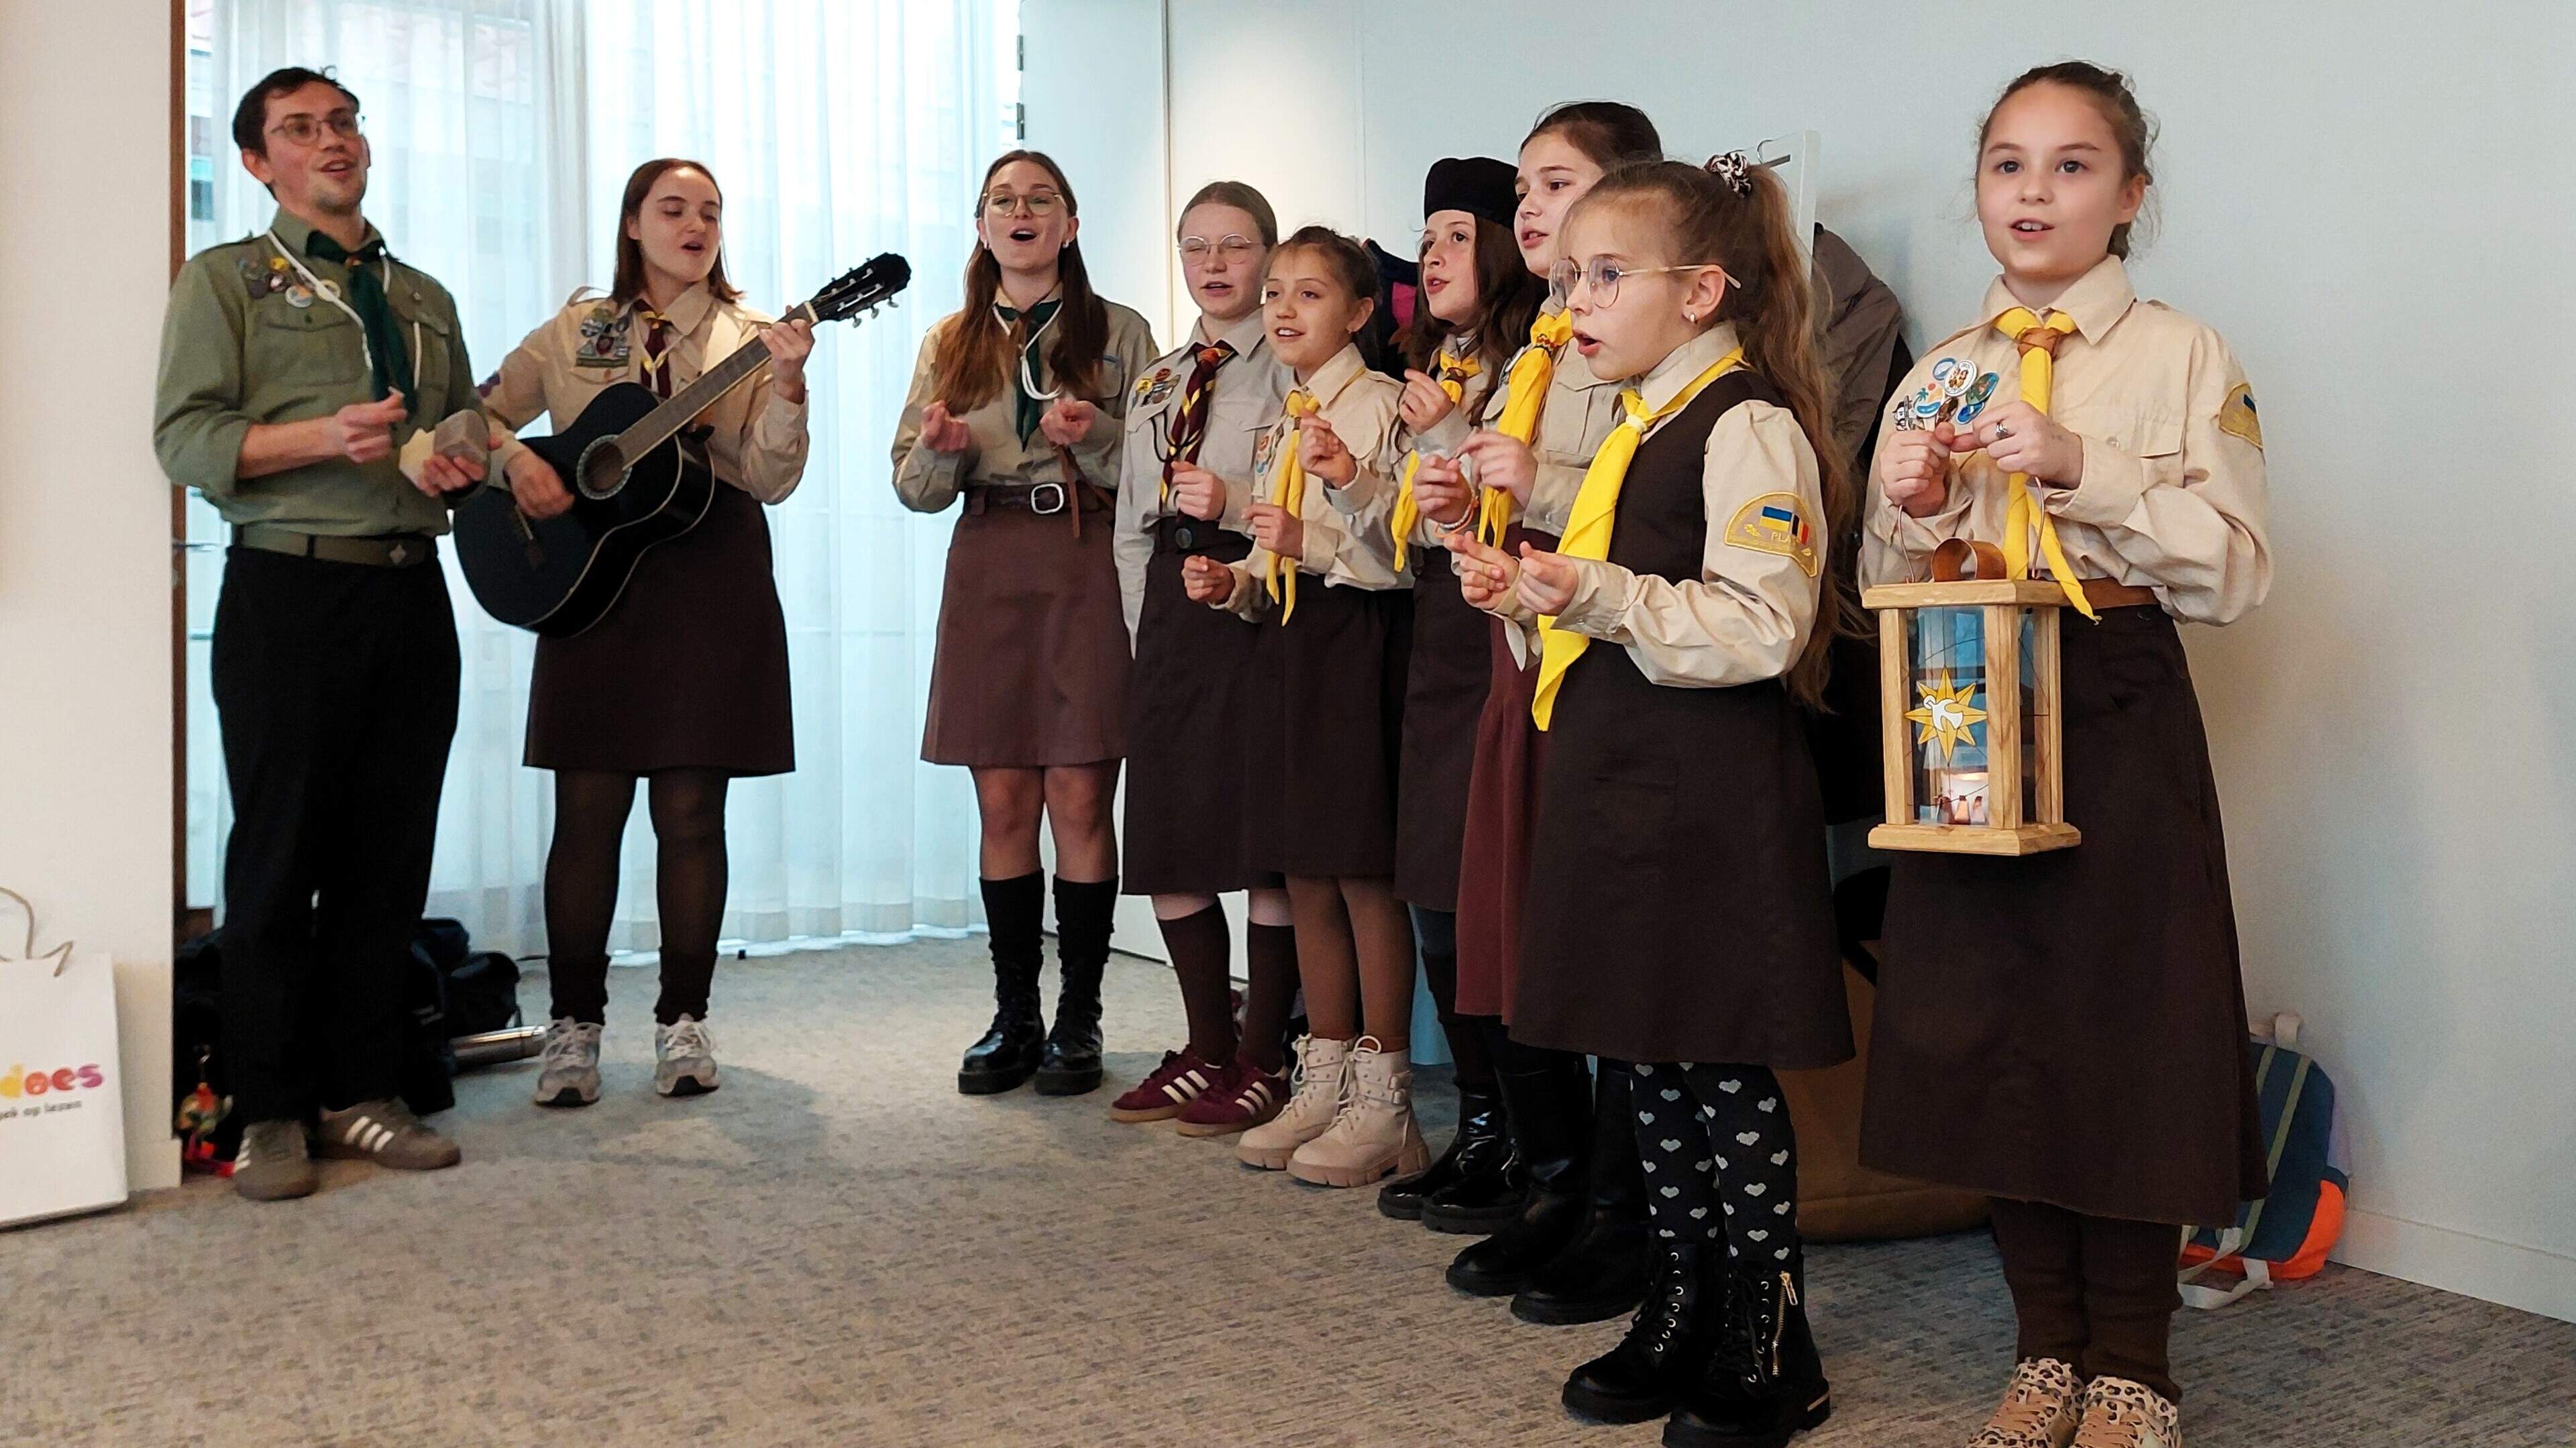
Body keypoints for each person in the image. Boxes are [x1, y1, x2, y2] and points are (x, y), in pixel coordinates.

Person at [1859, 62, 2272, 1448]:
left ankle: (2135, 1367)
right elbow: (1876, 582)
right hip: (1966, 699)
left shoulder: (2183, 355)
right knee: (1985, 1023)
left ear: (2133, 193)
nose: (2035, 193)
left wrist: (2083, 464)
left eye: (2074, 165)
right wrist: (1913, 510)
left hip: (2112, 687)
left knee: (2121, 1026)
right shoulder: (1939, 373)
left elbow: (2237, 573)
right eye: (2008, 164)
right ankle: (2044, 1347)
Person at [1455, 152, 1855, 1448]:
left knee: (1719, 1068)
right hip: (1619, 786)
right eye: (1568, 277)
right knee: (1642, 1058)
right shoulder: (1628, 426)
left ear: (1701, 291)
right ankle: (1679, 1302)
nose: (1574, 303)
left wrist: (1597, 595)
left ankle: (1767, 1331)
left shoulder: (1747, 424)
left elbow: (1764, 622)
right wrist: (1527, 593)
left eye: (1606, 274)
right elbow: (1601, 608)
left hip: (1708, 799)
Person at [154, 66, 487, 1200]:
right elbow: (188, 440)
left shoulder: (425, 295)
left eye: (342, 123)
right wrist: (313, 440)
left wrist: (468, 457)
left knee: (386, 857)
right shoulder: (227, 282)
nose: (331, 141)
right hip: (288, 593)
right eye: (300, 130)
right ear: (258, 163)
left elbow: (458, 429)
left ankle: (362, 1093)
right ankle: (271, 1109)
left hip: (410, 590)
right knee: (279, 852)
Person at [477, 157, 815, 1106]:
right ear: (633, 224)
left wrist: (787, 391)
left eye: (710, 211)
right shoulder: (580, 328)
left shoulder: (753, 338)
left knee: (690, 811)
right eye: (673, 208)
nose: (694, 224)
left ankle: (683, 1023)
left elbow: (772, 476)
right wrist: (514, 463)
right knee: (586, 811)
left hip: (711, 575)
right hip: (594, 583)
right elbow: (479, 410)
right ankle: (573, 1028)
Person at [1425, 101, 1661, 1326]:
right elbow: (1502, 510)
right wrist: (1448, 491)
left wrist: (1537, 480)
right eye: (1521, 186)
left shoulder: (1643, 351)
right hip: (1523, 658)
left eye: (1554, 182)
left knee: (1594, 950)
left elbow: (1644, 501)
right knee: (1512, 938)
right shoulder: (1535, 353)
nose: (1527, 205)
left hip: (1600, 663)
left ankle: (1622, 1216)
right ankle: (1560, 1188)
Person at [894, 151, 1159, 1099]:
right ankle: (1015, 1013)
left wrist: (1094, 437)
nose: (1021, 212)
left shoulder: (1121, 331)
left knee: (1081, 798)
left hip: (1083, 559)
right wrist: (939, 451)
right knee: (1004, 801)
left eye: (1040, 200)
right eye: (1002, 201)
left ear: (1070, 225)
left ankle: (1079, 1019)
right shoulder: (949, 340)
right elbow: (911, 488)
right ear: (980, 226)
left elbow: (1159, 470)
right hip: (989, 561)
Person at [1323, 156, 1544, 1229]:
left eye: (1458, 233)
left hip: (1501, 645)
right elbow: (1406, 538)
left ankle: (1537, 1149)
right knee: (1437, 902)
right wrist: (1354, 482)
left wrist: (1444, 441)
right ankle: (1485, 1127)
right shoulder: (1435, 367)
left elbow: (1516, 518)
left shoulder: (1538, 369)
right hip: (1434, 645)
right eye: (1429, 236)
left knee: (1488, 903)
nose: (1434, 254)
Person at [1179, 226, 1423, 1187]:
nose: (1282, 310)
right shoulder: (1296, 407)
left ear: (1361, 312)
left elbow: (1399, 551)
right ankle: (1322, 1072)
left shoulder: (1381, 406)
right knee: (1307, 870)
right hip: (1292, 644)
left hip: (1354, 646)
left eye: (1310, 295)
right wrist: (1235, 578)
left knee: (1362, 871)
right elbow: (1284, 547)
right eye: (1275, 292)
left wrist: (1310, 534)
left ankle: (1386, 1092)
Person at [1106, 182, 1302, 1135]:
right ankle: (1207, 1044)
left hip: (1256, 600)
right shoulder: (1160, 377)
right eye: (1196, 247)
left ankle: (1266, 1053)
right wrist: (1146, 641)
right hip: (1174, 617)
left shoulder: (1293, 369)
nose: (1216, 264)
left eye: (1235, 245)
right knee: (1170, 836)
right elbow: (1129, 528)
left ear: (1269, 254)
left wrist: (1229, 502)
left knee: (1263, 844)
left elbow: (1301, 500)